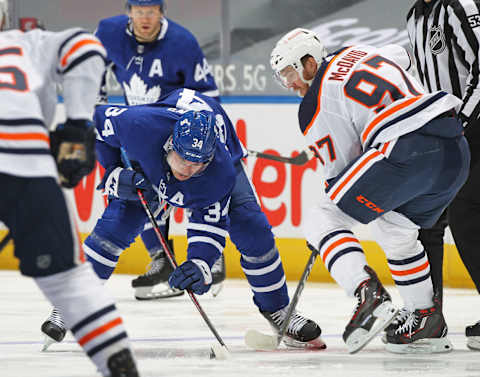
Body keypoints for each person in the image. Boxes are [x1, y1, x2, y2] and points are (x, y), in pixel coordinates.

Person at [40, 88, 326, 351]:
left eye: (197, 163)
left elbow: (209, 223)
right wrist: (113, 173)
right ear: (169, 145)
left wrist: (201, 264)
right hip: (152, 164)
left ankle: (278, 311)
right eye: (183, 159)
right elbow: (93, 127)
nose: (188, 170)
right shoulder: (139, 126)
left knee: (254, 231)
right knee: (114, 227)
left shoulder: (218, 172)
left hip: (215, 160)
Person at [270, 28, 470, 354]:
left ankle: (366, 292)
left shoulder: (313, 104)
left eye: (291, 72)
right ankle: (426, 319)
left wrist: (326, 237)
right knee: (396, 229)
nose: (290, 83)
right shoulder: (356, 50)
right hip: (453, 151)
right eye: (283, 78)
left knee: (322, 216)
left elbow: (339, 174)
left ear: (309, 63)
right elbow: (401, 55)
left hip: (406, 147)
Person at [0, 1, 140, 376]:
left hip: (24, 156)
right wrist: (78, 125)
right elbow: (86, 48)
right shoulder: (24, 42)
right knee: (67, 279)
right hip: (25, 160)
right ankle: (117, 364)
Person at [93, 0, 222, 302]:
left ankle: (209, 257)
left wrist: (203, 135)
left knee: (191, 184)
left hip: (176, 130)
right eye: (139, 11)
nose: (144, 18)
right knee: (139, 191)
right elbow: (90, 69)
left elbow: (209, 95)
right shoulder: (108, 32)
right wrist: (95, 102)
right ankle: (162, 259)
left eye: (151, 11)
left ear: (162, 12)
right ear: (129, 12)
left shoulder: (182, 42)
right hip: (139, 129)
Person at [406, 0, 480, 351]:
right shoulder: (415, 16)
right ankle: (429, 317)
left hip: (473, 128)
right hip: (445, 135)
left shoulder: (460, 5)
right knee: (427, 221)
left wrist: (462, 121)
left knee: (468, 217)